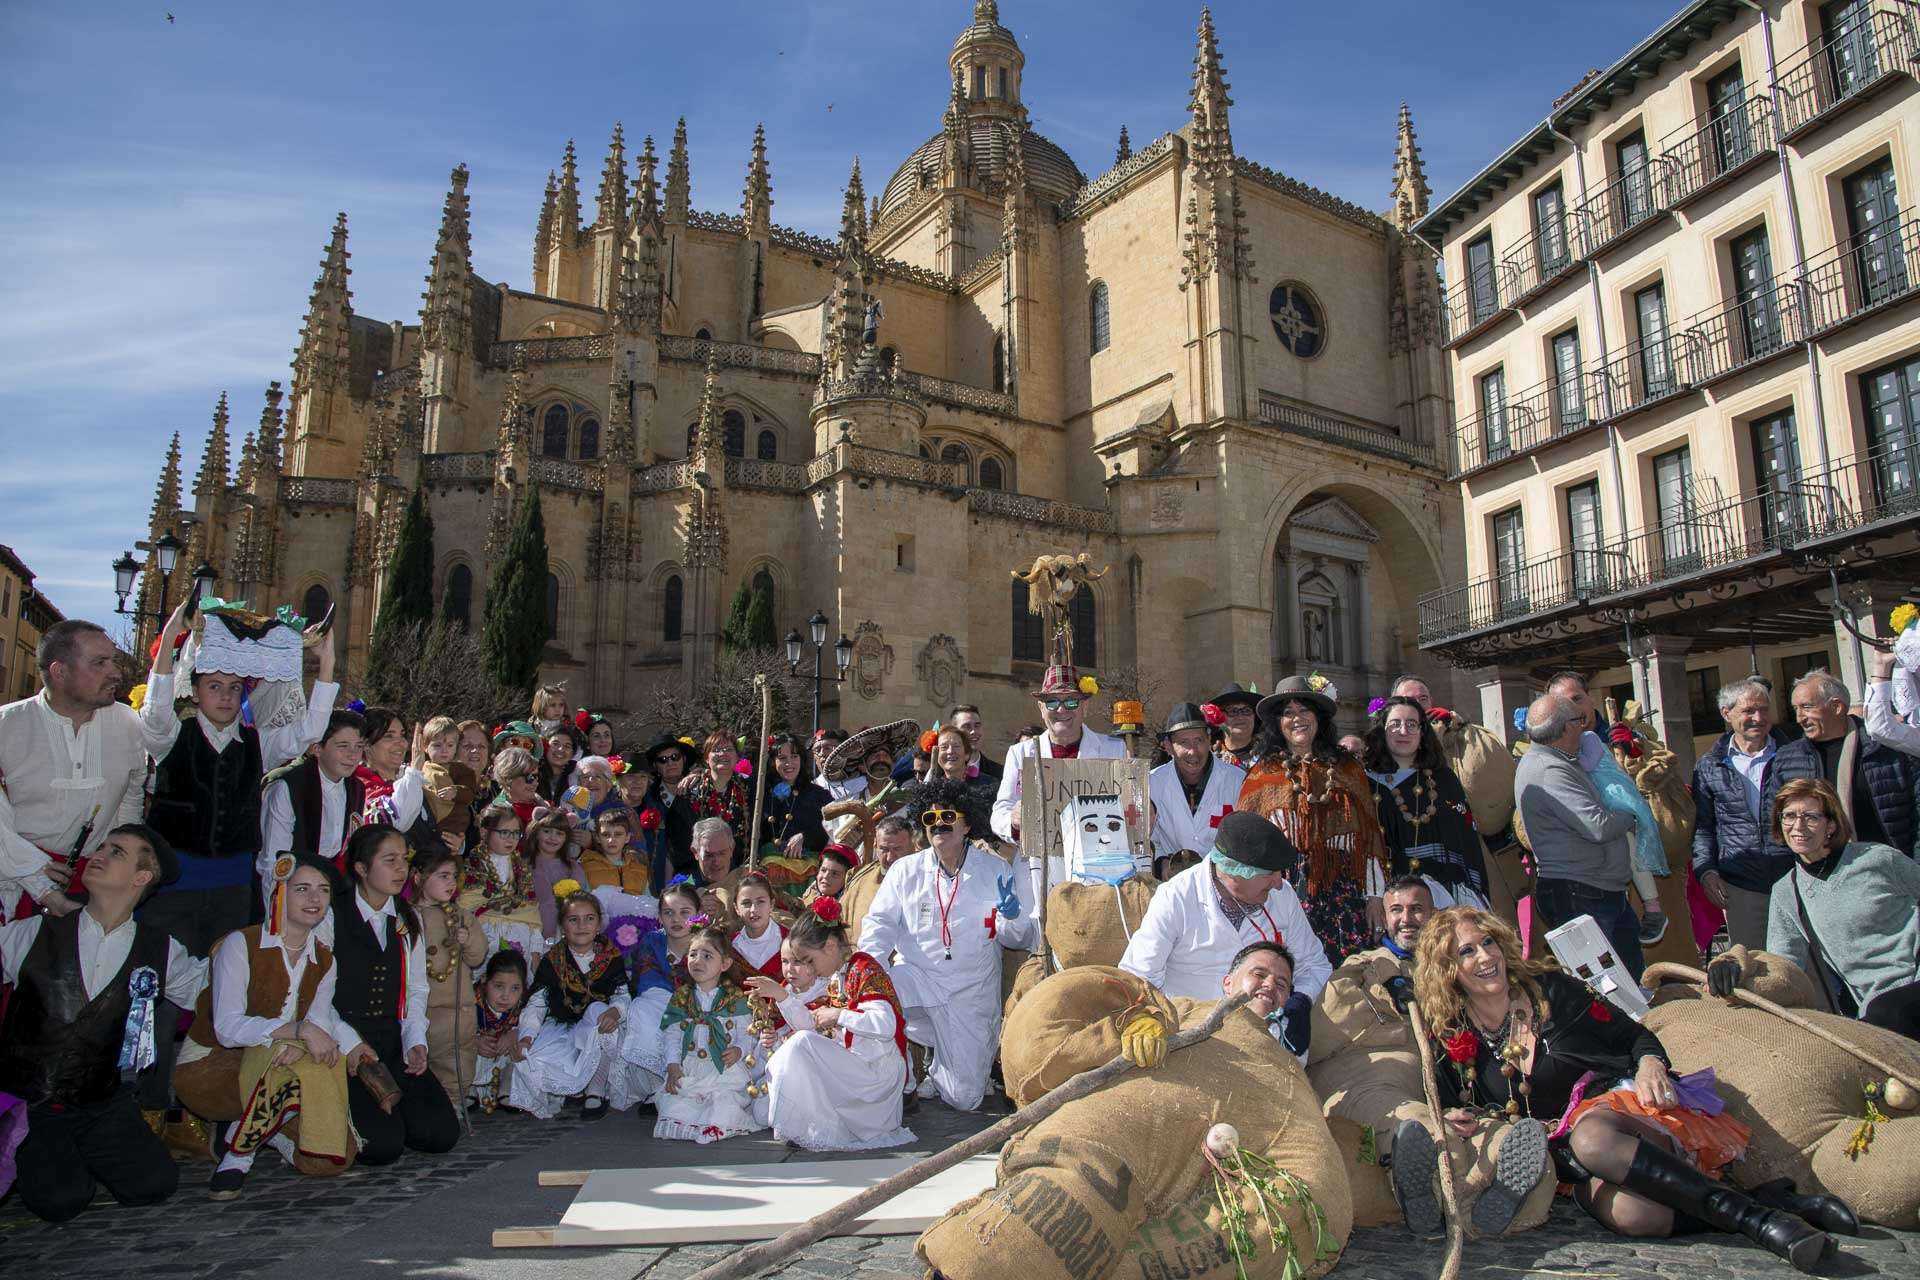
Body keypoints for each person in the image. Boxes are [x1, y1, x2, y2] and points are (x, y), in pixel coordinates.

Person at [1412, 906, 1844, 1272]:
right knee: (1634, 1215)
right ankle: (1769, 1201)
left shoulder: (1554, 991)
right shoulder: (1452, 1038)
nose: (1484, 956)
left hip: (1620, 1118)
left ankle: (1760, 1222)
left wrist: (1651, 1064)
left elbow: (1635, 1036)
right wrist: (1455, 1118)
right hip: (1563, 1159)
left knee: (1592, 1138)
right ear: (1448, 970)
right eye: (1466, 951)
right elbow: (1453, 1104)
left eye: (1487, 942)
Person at [0, 824, 205, 1221]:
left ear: (141, 878)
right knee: (60, 1202)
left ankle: (77, 1154)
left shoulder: (162, 950)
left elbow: (215, 990)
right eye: (103, 846)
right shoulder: (33, 932)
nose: (100, 854)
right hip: (31, 1104)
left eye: (117, 852)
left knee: (154, 1184)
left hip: (100, 1103)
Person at [139, 597, 339, 955]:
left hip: (232, 887)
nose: (226, 696)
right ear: (196, 690)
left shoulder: (256, 743)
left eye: (234, 688)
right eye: (214, 686)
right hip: (173, 882)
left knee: (220, 987)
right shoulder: (171, 736)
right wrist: (171, 634)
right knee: (160, 983)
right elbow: (155, 709)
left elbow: (309, 730)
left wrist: (326, 662)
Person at [176, 853, 356, 1200]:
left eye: (322, 890)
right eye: (302, 889)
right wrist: (297, 1032)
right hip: (214, 1066)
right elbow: (228, 1028)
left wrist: (301, 1037)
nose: (314, 899)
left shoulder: (325, 959)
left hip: (287, 1069)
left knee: (333, 1159)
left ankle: (261, 1130)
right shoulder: (240, 944)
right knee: (288, 1053)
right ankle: (239, 1154)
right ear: (279, 893)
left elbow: (319, 1021)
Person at [859, 777, 1035, 1110]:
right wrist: (868, 966)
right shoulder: (904, 871)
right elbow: (880, 924)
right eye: (930, 819)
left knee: (965, 1099)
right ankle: (903, 1078)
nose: (939, 825)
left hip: (971, 991)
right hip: (918, 978)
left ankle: (947, 1062)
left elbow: (1019, 938)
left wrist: (1011, 918)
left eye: (948, 817)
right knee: (873, 998)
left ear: (967, 823)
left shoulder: (995, 869)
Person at [1705, 779, 1920, 1036]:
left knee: (1888, 1011)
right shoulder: (1787, 891)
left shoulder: (1878, 859)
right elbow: (1784, 966)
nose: (1798, 826)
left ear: (1831, 825)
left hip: (1908, 988)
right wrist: (1735, 964)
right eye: (1789, 816)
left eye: (1810, 817)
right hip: (1872, 1008)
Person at [0, 620, 149, 918]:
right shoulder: (6, 726)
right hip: (13, 884)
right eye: (100, 663)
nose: (115, 673)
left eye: (114, 660)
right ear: (59, 671)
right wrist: (38, 879)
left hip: (92, 886)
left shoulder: (129, 724)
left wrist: (119, 866)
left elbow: (130, 798)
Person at [332, 825, 461, 1165]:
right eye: (389, 860)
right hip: (347, 1044)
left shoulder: (407, 918)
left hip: (390, 1039)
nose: (401, 869)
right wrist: (350, 1044)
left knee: (441, 1135)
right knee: (381, 1148)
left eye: (404, 860)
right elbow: (315, 995)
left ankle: (393, 1117)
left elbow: (416, 987)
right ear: (361, 868)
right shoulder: (333, 916)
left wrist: (415, 1039)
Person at [1238, 675, 1389, 963]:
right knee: (1289, 971)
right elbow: (1247, 844)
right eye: (1288, 713)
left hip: (1343, 892)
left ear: (1318, 716)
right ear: (1277, 724)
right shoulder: (1262, 775)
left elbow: (1369, 838)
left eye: (1304, 709)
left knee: (1345, 978)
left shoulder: (1347, 769)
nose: (1297, 719)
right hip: (1282, 891)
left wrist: (1375, 896)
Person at [750, 898, 914, 1151]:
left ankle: (823, 1125)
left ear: (829, 946)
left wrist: (840, 1015)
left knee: (801, 1043)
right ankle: (811, 1126)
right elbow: (810, 1025)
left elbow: (885, 1025)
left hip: (877, 1075)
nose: (808, 969)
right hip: (857, 1068)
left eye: (808, 961)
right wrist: (783, 997)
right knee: (797, 1044)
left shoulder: (863, 969)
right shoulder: (836, 977)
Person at [1120, 809, 1330, 1005]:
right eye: (1270, 874)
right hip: (1193, 1030)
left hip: (1267, 1032)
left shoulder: (1282, 895)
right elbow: (1139, 977)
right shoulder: (1176, 898)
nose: (1278, 883)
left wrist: (1301, 1002)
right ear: (1235, 872)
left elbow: (1313, 966)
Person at [1514, 694, 1642, 978]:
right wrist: (1633, 810)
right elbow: (1598, 826)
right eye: (1578, 720)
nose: (1584, 727)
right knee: (1608, 989)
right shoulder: (1548, 769)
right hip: (1580, 892)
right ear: (1563, 728)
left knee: (1628, 983)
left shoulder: (1563, 761)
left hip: (1594, 889)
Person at [511, 887, 631, 1119]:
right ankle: (573, 1088)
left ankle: (596, 1090)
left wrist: (616, 1012)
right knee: (533, 1059)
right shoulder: (553, 960)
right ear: (563, 927)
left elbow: (622, 995)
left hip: (596, 1027)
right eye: (573, 920)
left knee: (600, 1013)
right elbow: (537, 1002)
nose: (582, 926)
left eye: (589, 919)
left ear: (598, 925)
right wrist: (526, 1036)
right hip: (563, 1027)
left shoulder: (611, 956)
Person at [1690, 678, 1792, 950]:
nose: (1758, 718)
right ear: (1727, 713)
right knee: (1754, 970)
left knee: (1807, 973)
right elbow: (1703, 826)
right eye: (1749, 711)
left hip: (1794, 879)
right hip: (1742, 885)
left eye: (1764, 709)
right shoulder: (1709, 766)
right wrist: (1706, 871)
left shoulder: (1794, 755)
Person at [1773, 669, 1920, 855]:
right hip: (1821, 873)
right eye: (1796, 709)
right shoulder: (1787, 758)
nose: (1800, 718)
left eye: (1807, 707)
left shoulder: (1886, 747)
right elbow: (1777, 822)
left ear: (1836, 707)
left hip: (1891, 867)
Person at [1364, 696, 1491, 910]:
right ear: (1382, 731)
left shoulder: (1444, 780)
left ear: (1422, 733)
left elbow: (1465, 844)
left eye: (1411, 724)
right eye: (1395, 724)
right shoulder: (1366, 783)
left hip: (1446, 899)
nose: (1403, 731)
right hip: (1390, 900)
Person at [991, 665, 1124, 843]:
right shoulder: (1020, 753)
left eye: (1071, 701)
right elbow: (1000, 813)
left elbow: (1128, 807)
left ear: (1085, 706)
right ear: (1041, 708)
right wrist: (1014, 822)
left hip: (1096, 858)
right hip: (1038, 863)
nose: (1061, 710)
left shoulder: (1113, 750)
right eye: (1052, 702)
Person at [654, 924, 760, 1142]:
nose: (697, 960)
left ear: (725, 963)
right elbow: (672, 1034)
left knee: (724, 1104)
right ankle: (691, 1123)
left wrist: (739, 1050)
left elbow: (749, 1031)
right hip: (691, 1068)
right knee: (674, 1106)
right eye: (693, 954)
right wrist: (673, 1065)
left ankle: (717, 1123)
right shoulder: (682, 997)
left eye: (707, 955)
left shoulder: (733, 998)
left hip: (723, 1070)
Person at [411, 846, 488, 1107]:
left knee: (458, 1068)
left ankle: (453, 1106)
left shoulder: (462, 916)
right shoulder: (408, 917)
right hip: (423, 1011)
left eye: (453, 876)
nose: (451, 883)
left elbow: (477, 957)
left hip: (457, 1011)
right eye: (442, 876)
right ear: (419, 877)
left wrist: (467, 942)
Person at [259, 709, 367, 892]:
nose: (353, 755)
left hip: (332, 883)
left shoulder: (356, 788)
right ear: (317, 748)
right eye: (343, 746)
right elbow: (273, 861)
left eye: (359, 746)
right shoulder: (289, 787)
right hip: (291, 883)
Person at [621, 880, 701, 1101]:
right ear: (659, 916)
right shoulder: (652, 941)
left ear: (698, 914)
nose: (676, 920)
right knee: (643, 1007)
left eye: (685, 912)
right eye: (669, 913)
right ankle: (655, 1086)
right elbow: (648, 982)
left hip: (698, 1007)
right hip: (660, 1002)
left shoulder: (707, 942)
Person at [1149, 702, 1246, 862]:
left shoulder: (1237, 780)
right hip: (1174, 881)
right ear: (1169, 746)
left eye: (1199, 740)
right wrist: (1162, 862)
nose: (1193, 751)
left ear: (1209, 740)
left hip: (1223, 880)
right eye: (1183, 742)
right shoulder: (1153, 782)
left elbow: (1244, 835)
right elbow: (1150, 836)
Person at [460, 802, 543, 956]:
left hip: (519, 935)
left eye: (516, 833)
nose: (511, 839)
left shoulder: (520, 865)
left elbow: (530, 907)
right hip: (483, 936)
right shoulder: (475, 863)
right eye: (504, 833)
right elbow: (466, 904)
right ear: (484, 833)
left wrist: (536, 949)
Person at [471, 949, 527, 1111]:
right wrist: (474, 1041)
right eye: (498, 986)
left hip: (503, 1060)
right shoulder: (471, 1002)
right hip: (476, 1057)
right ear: (484, 981)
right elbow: (455, 1029)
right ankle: (468, 1087)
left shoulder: (523, 1006)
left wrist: (515, 1034)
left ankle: (508, 1086)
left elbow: (534, 1026)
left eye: (515, 988)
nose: (505, 996)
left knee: (525, 1046)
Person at [760, 732, 829, 857]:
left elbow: (832, 830)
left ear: (801, 759)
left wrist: (805, 837)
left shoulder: (820, 796)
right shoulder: (761, 794)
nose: (789, 763)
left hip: (808, 869)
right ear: (772, 762)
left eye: (794, 756)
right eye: (782, 758)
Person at [526, 805, 588, 941]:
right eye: (547, 831)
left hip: (567, 931)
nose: (553, 837)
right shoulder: (526, 865)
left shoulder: (572, 867)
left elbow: (581, 898)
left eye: (559, 833)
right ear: (536, 832)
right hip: (533, 929)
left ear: (566, 838)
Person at [683, 731, 753, 849]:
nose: (722, 754)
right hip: (702, 861)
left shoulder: (749, 787)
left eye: (729, 749)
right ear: (706, 758)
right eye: (716, 750)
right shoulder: (692, 790)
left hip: (742, 861)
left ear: (737, 757)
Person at [583, 807, 653, 920]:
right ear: (597, 838)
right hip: (601, 932)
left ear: (627, 837)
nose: (611, 840)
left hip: (636, 930)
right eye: (606, 835)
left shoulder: (639, 869)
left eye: (618, 834)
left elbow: (648, 903)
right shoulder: (587, 868)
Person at [644, 734, 699, 880]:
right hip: (661, 871)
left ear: (684, 759)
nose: (670, 763)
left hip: (700, 867)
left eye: (675, 757)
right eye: (663, 760)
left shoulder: (700, 788)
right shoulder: (649, 796)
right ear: (655, 766)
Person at [419, 714, 478, 847]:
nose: (444, 751)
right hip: (429, 825)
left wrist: (456, 792)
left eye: (450, 745)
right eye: (437, 745)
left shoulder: (462, 770)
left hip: (453, 824)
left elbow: (470, 793)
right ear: (425, 746)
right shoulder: (420, 769)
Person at [688, 816, 745, 931]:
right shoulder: (684, 889)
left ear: (732, 849)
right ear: (695, 852)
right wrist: (697, 913)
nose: (716, 861)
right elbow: (682, 935)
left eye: (722, 853)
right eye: (709, 855)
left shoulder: (745, 879)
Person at [731, 870, 787, 982]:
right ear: (736, 908)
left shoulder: (790, 939)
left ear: (771, 904)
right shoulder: (729, 945)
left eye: (760, 901)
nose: (753, 910)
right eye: (746, 903)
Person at [1205, 682, 1263, 770]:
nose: (1241, 717)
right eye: (1233, 711)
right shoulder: (1208, 759)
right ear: (1219, 718)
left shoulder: (1270, 755)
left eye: (1247, 710)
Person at [537, 724, 584, 804]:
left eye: (567, 746)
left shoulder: (576, 777)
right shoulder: (534, 774)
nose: (561, 749)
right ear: (545, 746)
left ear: (573, 754)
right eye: (555, 744)